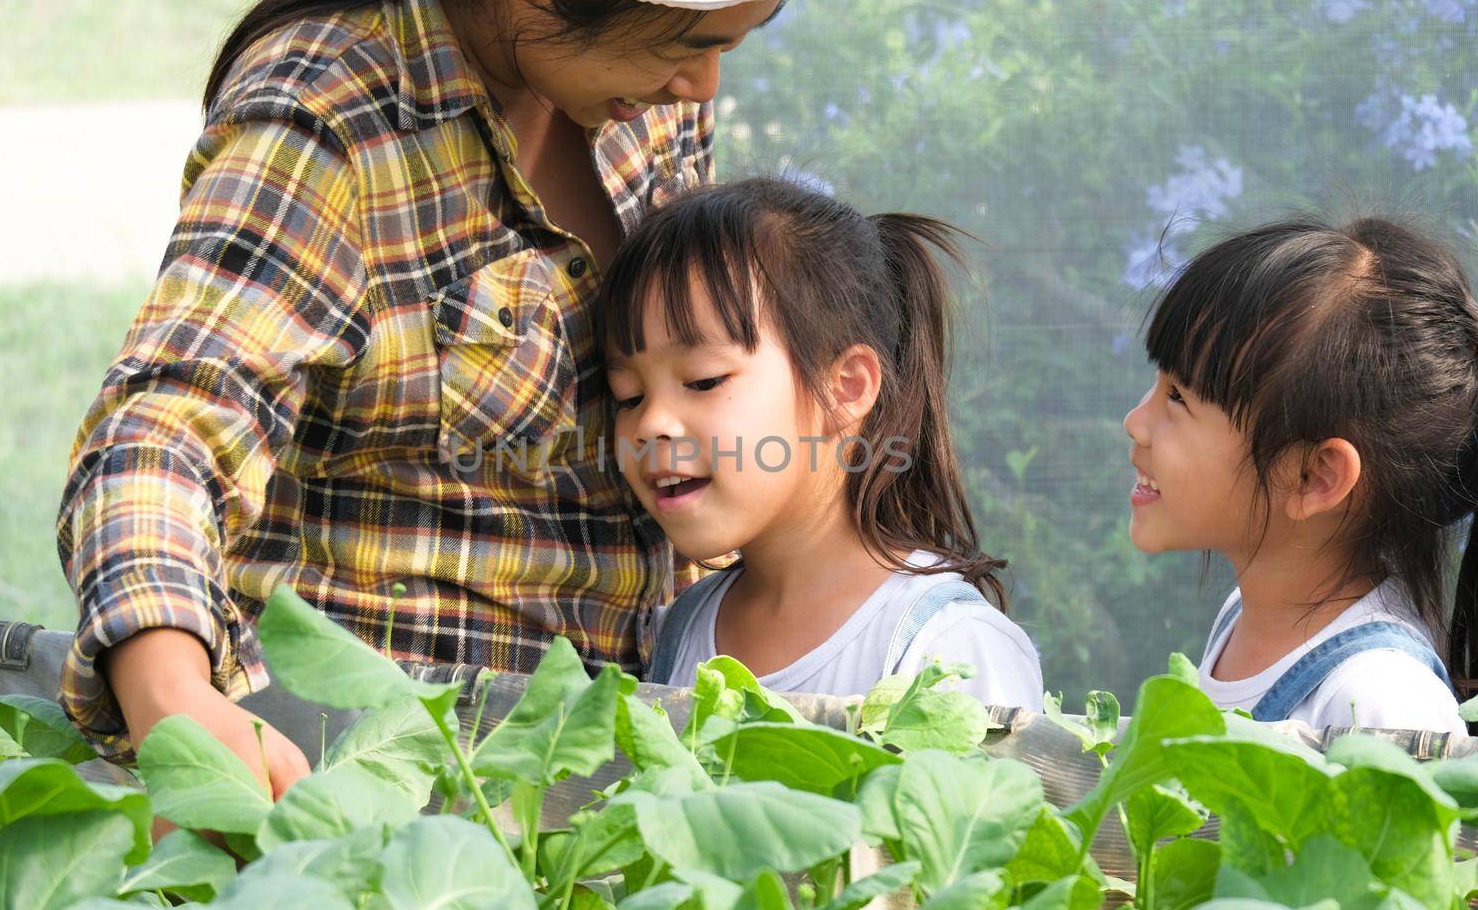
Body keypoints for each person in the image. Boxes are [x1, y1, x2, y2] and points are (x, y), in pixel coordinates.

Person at [56, 0, 929, 794]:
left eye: (731, 42)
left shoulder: (642, 109)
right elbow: (166, 426)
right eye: (682, 42)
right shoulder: (331, 117)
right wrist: (172, 698)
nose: (701, 87)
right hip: (370, 772)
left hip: (597, 770)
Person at [595, 177, 1043, 705]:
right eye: (628, 396)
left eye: (703, 380)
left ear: (845, 387)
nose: (650, 425)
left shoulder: (947, 650)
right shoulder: (678, 631)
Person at [1124, 216, 1477, 732]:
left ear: (1315, 477)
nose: (1135, 422)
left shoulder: (1382, 701)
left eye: (1178, 397)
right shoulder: (1245, 616)